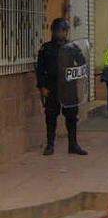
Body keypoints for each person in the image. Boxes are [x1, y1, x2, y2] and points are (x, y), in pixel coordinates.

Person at [36, 18, 88, 156]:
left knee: (71, 117)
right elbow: (40, 69)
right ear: (53, 31)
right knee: (51, 117)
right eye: (58, 30)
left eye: (63, 30)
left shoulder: (73, 47)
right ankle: (50, 145)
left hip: (68, 87)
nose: (60, 33)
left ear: (66, 32)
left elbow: (82, 63)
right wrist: (42, 86)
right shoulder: (45, 48)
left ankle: (73, 144)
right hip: (52, 87)